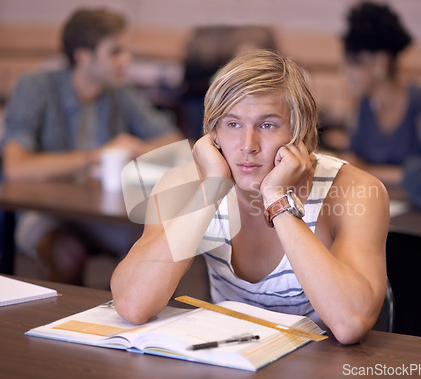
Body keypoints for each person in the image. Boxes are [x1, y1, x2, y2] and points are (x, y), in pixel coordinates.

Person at [111, 50, 389, 345]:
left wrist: (276, 198)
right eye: (233, 124)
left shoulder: (355, 191)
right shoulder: (187, 183)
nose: (248, 145)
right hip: (228, 359)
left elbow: (350, 324)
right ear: (213, 132)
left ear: (300, 131)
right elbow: (133, 305)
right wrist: (213, 186)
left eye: (267, 125)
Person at [2, 8, 182, 284]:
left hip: (97, 209)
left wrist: (134, 148)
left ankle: (130, 319)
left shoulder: (120, 92)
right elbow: (15, 167)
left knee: (156, 243)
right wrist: (97, 155)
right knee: (66, 252)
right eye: (115, 52)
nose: (127, 60)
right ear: (83, 56)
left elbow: (173, 141)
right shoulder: (35, 86)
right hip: (39, 210)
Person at [340, 1, 421, 184]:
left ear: (381, 62)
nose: (347, 73)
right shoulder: (362, 105)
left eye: (355, 63)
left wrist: (370, 170)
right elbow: (353, 161)